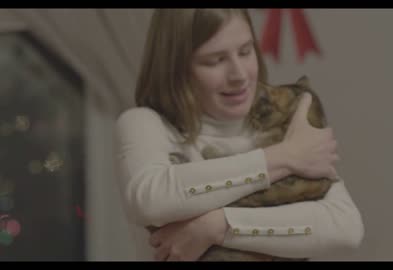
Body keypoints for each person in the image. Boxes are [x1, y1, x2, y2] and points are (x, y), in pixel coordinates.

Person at [115, 8, 364, 261]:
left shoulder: (286, 115)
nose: (239, 75)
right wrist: (285, 157)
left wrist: (218, 226)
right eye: (215, 60)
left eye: (245, 51)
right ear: (175, 67)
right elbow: (150, 200)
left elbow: (345, 227)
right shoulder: (146, 124)